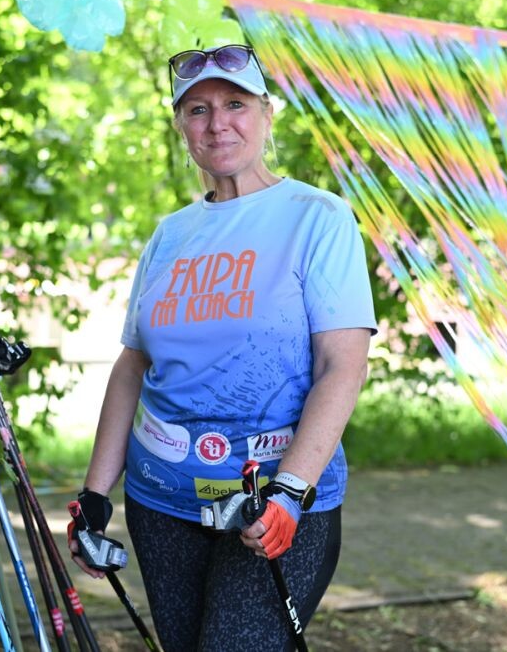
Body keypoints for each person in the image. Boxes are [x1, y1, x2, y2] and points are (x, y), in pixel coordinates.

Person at [68, 44, 376, 651]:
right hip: (161, 501)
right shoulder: (171, 234)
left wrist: (290, 493)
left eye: (234, 103)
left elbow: (342, 365)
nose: (217, 122)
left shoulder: (319, 217)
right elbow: (133, 366)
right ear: (181, 124)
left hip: (271, 506)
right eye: (197, 109)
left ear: (265, 113)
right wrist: (94, 496)